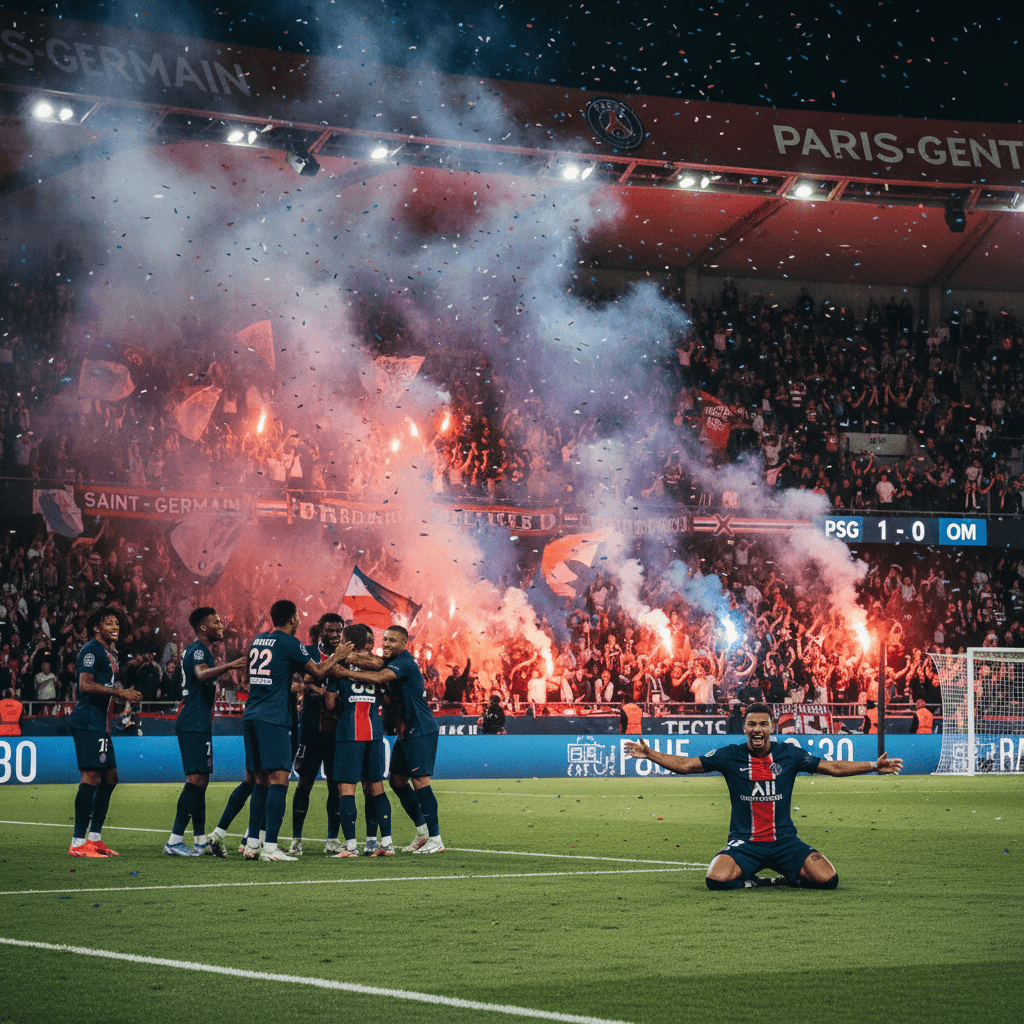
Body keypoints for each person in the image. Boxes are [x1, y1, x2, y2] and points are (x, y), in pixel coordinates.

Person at [625, 702, 902, 889]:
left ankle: (788, 879)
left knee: (828, 880)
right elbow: (686, 765)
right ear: (744, 728)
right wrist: (650, 754)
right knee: (716, 880)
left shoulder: (789, 754)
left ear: (771, 728)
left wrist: (873, 765)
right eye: (751, 724)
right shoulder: (729, 755)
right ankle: (752, 881)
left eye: (763, 724)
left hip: (784, 842)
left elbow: (832, 767)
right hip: (745, 843)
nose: (757, 729)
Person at [206, 599, 350, 862]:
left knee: (259, 780)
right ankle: (270, 847)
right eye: (298, 616)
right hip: (274, 718)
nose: (299, 621)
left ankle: (252, 844)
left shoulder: (259, 640)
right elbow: (317, 671)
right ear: (293, 618)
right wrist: (338, 656)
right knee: (280, 780)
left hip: (251, 714)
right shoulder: (290, 643)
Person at [337, 624, 443, 853]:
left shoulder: (404, 662)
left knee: (420, 782)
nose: (386, 644)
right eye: (385, 639)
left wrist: (344, 671)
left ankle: (436, 839)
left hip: (421, 729)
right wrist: (346, 657)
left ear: (405, 644)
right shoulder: (390, 660)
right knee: (397, 782)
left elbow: (378, 676)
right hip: (406, 732)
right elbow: (375, 663)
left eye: (392, 641)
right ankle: (423, 832)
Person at [163, 607, 245, 857]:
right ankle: (174, 840)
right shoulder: (198, 650)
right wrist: (230, 665)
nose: (221, 626)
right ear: (202, 627)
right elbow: (200, 675)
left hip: (198, 721)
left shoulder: (201, 650)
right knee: (196, 780)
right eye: (216, 622)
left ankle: (200, 840)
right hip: (193, 721)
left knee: (201, 780)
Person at [68, 607, 142, 857]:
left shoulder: (109, 653)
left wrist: (120, 697)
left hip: (100, 723)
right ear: (96, 628)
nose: (115, 627)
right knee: (91, 777)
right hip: (87, 720)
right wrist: (119, 692)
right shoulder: (91, 650)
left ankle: (95, 839)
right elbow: (84, 685)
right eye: (109, 623)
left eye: (116, 623)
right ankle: (77, 843)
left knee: (111, 778)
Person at [325, 622, 394, 857]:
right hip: (374, 731)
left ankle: (351, 846)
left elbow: (330, 703)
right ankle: (384, 843)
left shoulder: (338, 665)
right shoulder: (377, 665)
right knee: (376, 787)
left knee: (346, 789)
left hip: (349, 732)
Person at [287, 613, 344, 856]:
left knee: (335, 786)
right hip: (310, 729)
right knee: (305, 782)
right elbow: (304, 684)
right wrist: (325, 694)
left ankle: (332, 840)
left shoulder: (346, 655)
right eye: (330, 630)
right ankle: (296, 840)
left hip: (336, 731)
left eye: (338, 630)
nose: (335, 635)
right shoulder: (308, 652)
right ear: (320, 631)